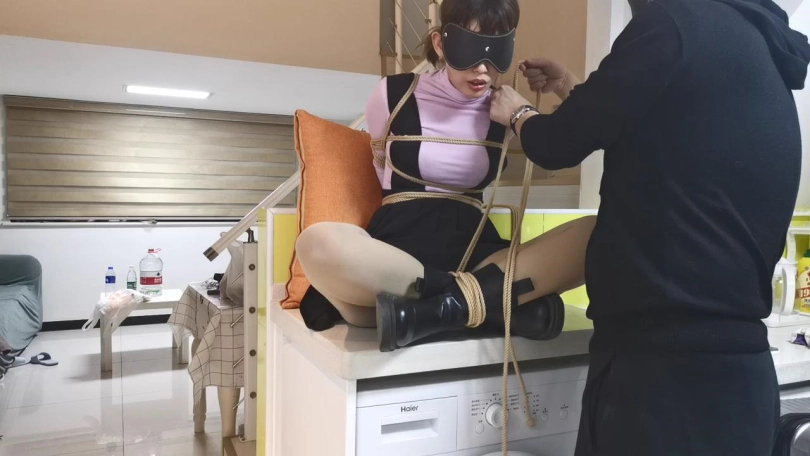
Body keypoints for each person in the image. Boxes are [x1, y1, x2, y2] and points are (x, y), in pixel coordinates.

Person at [490, 0, 810, 454]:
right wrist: (568, 87)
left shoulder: (671, 26)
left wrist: (518, 113)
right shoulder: (755, 43)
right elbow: (662, 130)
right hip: (742, 382)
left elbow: (556, 144)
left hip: (658, 381)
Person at [295, 0, 596, 352]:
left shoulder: (507, 108)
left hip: (476, 249)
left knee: (598, 233)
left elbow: (585, 132)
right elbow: (381, 164)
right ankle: (489, 305)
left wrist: (563, 84)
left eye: (496, 52)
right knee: (316, 243)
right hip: (399, 254)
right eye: (469, 48)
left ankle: (432, 311)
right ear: (440, 43)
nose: (482, 68)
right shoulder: (393, 94)